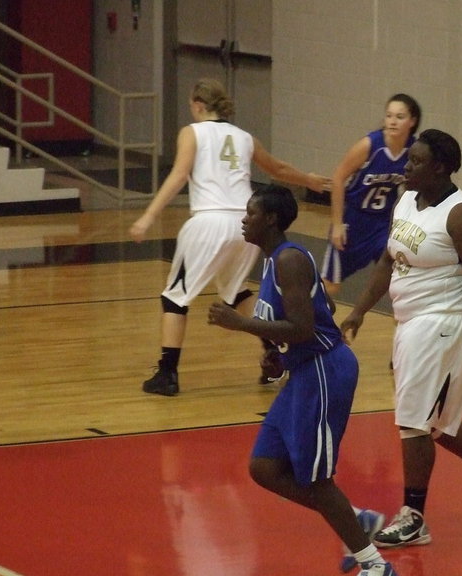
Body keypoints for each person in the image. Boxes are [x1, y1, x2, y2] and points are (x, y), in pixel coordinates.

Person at [207, 184, 400, 576]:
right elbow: (320, 312)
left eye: (251, 212)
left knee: (315, 478)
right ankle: (355, 519)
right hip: (304, 370)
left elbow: (305, 328)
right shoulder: (276, 262)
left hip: (325, 371)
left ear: (271, 219)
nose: (244, 219)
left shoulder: (290, 260)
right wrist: (280, 355)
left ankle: (376, 567)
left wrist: (241, 325)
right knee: (265, 468)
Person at [340, 129, 462, 548]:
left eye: (416, 162)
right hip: (410, 323)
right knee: (436, 421)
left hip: (443, 324)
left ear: (439, 168)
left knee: (412, 421)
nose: (406, 167)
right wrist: (358, 311)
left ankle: (413, 516)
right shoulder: (408, 200)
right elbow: (389, 260)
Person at [129, 78, 330, 396]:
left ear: (197, 104)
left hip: (209, 221)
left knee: (174, 297)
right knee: (236, 292)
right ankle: (275, 354)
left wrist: (148, 215)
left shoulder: (191, 132)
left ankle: (167, 373)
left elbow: (180, 173)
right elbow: (277, 169)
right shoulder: (244, 137)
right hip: (247, 223)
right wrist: (309, 180)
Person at [321, 93, 421, 297]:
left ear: (412, 121)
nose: (392, 121)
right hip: (354, 220)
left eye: (399, 117)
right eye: (389, 115)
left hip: (383, 224)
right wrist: (337, 223)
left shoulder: (414, 150)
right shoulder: (370, 145)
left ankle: (404, 326)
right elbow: (338, 178)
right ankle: (307, 320)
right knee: (330, 285)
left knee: (399, 284)